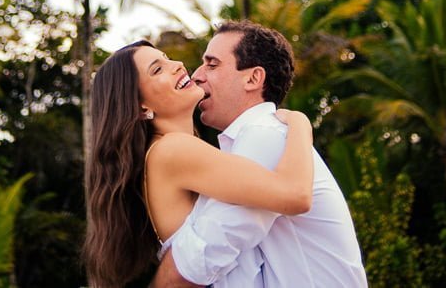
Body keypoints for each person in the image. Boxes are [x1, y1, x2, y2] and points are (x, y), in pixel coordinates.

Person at [151, 21, 368, 288]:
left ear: (253, 78)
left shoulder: (264, 134)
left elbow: (201, 258)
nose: (196, 74)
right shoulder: (253, 140)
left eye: (212, 64)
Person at [83, 38, 315, 287]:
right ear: (141, 106)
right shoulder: (172, 150)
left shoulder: (166, 153)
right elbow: (295, 195)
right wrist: (300, 123)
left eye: (167, 57)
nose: (177, 65)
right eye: (157, 69)